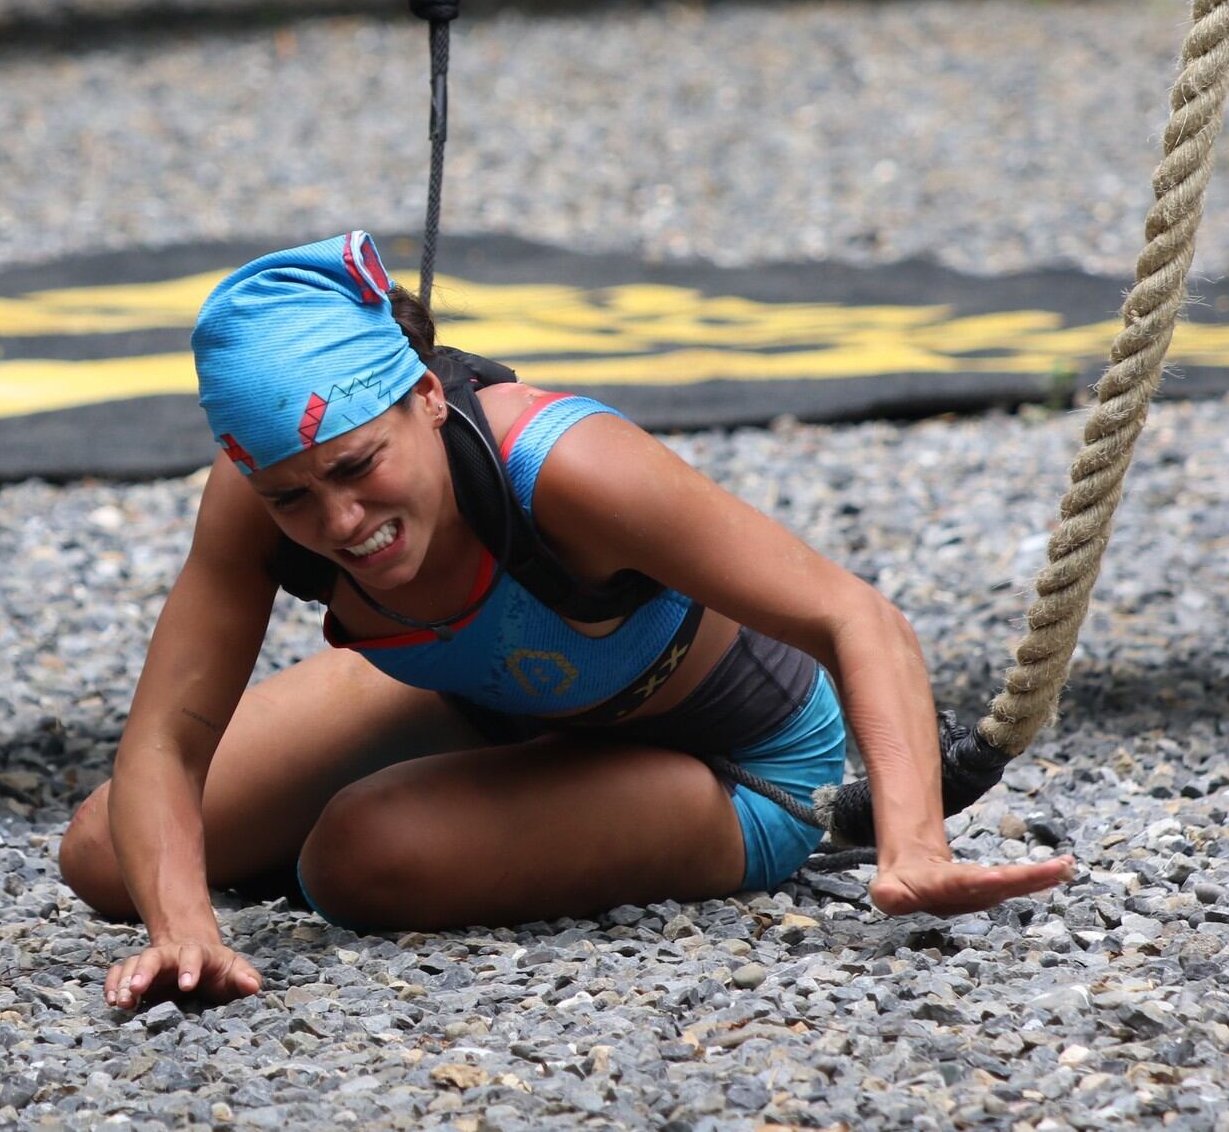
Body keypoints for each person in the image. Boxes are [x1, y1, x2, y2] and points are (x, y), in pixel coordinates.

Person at [59, 232, 1073, 1011]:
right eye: (292, 497)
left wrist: (912, 840)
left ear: (424, 397)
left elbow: (855, 616)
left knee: (357, 857)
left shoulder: (564, 466)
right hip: (491, 701)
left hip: (737, 764)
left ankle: (464, 817)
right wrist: (184, 931)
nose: (339, 522)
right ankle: (477, 806)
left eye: (357, 467)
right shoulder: (262, 487)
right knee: (107, 853)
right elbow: (165, 743)